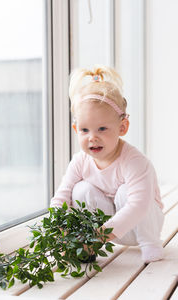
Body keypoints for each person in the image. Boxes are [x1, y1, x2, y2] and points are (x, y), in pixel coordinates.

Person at [50, 65, 164, 263]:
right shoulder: (80, 161)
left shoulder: (134, 161)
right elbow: (61, 197)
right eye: (85, 130)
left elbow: (138, 206)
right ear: (76, 129)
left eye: (102, 129)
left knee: (125, 192)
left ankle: (151, 245)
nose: (92, 137)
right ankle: (88, 248)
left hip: (140, 228)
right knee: (80, 189)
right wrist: (59, 233)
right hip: (110, 232)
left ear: (122, 127)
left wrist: (98, 237)